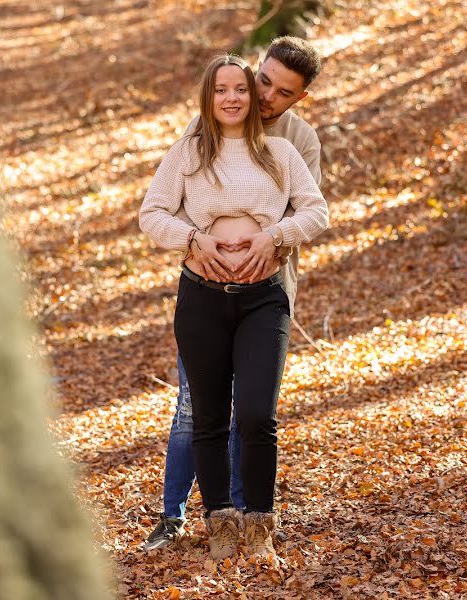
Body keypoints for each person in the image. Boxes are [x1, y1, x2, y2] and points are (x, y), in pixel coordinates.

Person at [139, 52, 328, 560]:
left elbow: (314, 209)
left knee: (255, 414)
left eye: (246, 90)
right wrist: (192, 239)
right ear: (211, 94)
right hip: (202, 293)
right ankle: (202, 520)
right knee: (199, 414)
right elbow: (153, 212)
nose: (246, 97)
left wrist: (276, 238)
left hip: (265, 295)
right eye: (241, 86)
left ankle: (258, 526)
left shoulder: (288, 148)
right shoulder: (192, 147)